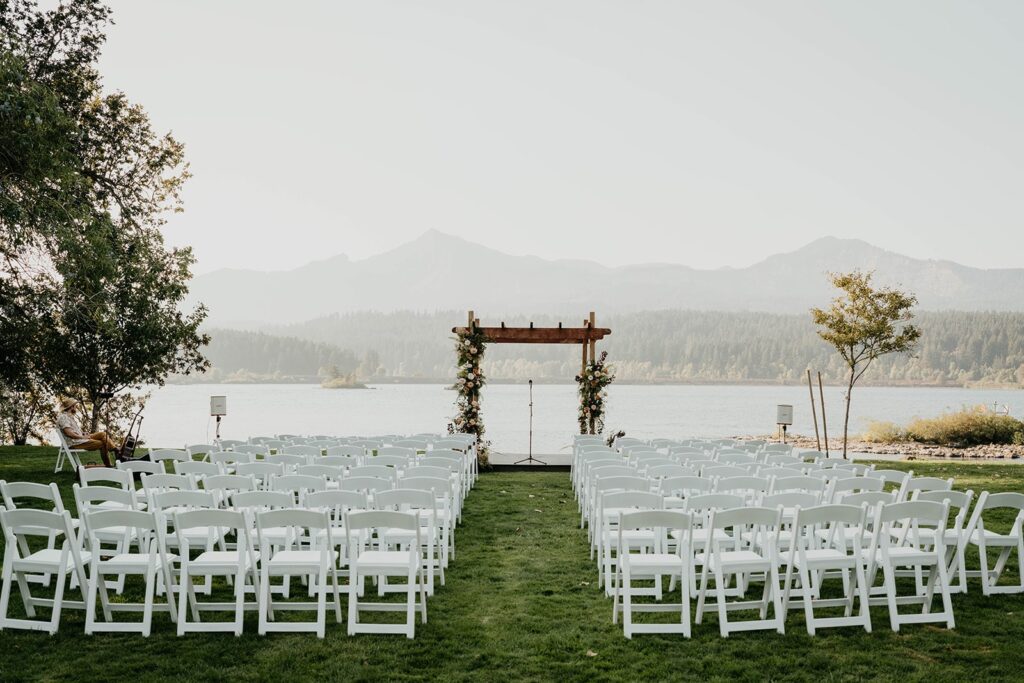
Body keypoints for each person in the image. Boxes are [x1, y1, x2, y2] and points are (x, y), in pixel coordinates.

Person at [55, 397, 118, 467]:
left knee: (103, 434)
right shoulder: (63, 417)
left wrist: (83, 433)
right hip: (76, 442)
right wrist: (82, 437)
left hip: (80, 439)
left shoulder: (69, 417)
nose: (76, 407)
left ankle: (115, 450)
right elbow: (69, 433)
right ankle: (109, 464)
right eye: (75, 406)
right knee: (102, 444)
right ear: (71, 407)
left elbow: (73, 431)